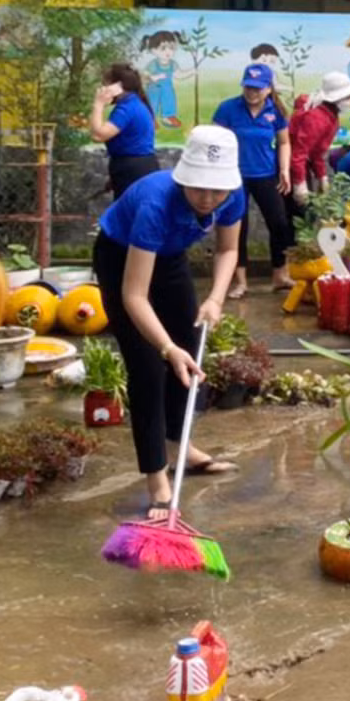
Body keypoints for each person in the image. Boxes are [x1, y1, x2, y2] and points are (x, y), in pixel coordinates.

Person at [93, 126, 246, 518]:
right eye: (199, 189)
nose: (208, 199)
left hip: (170, 257)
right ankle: (156, 476)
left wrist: (215, 298)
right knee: (148, 368)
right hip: (121, 257)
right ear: (184, 177)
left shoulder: (232, 196)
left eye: (217, 190)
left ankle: (181, 443)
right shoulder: (155, 205)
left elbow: (228, 249)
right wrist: (165, 347)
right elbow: (134, 296)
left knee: (190, 354)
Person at [212, 63, 294, 296]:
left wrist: (284, 169)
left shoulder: (275, 111)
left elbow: (284, 142)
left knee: (279, 223)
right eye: (248, 87)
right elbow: (215, 140)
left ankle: (280, 274)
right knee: (238, 227)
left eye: (258, 88)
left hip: (266, 175)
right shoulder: (228, 109)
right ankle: (240, 282)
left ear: (268, 89)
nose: (252, 92)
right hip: (233, 177)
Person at [287, 71, 350, 215]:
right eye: (349, 97)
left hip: (301, 164)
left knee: (309, 210)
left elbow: (319, 152)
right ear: (337, 98)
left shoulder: (331, 116)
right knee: (300, 213)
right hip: (290, 167)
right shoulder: (316, 118)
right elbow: (298, 154)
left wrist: (322, 177)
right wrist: (299, 184)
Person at [90, 63, 159, 198]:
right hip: (137, 167)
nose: (103, 89)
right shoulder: (135, 104)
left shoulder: (127, 108)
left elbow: (98, 135)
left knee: (129, 214)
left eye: (106, 84)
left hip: (134, 169)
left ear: (117, 87)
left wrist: (98, 104)